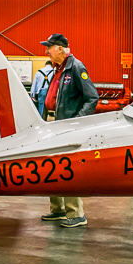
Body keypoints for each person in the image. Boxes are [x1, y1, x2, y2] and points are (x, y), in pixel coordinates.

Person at [39, 33, 98, 228]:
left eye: (49, 47)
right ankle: (58, 209)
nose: (47, 51)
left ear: (60, 49)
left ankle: (76, 214)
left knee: (67, 168)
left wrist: (78, 121)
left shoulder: (76, 67)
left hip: (67, 125)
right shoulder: (58, 69)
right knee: (52, 166)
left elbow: (92, 97)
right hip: (53, 123)